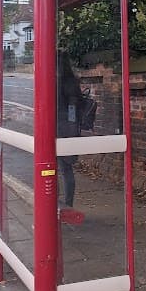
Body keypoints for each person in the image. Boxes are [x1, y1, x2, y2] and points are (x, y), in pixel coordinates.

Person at [57, 51, 81, 207]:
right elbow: (74, 106)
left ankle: (64, 205)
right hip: (66, 127)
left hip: (62, 129)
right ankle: (67, 204)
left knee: (62, 168)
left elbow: (72, 107)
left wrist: (70, 128)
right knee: (65, 169)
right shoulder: (71, 81)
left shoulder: (60, 82)